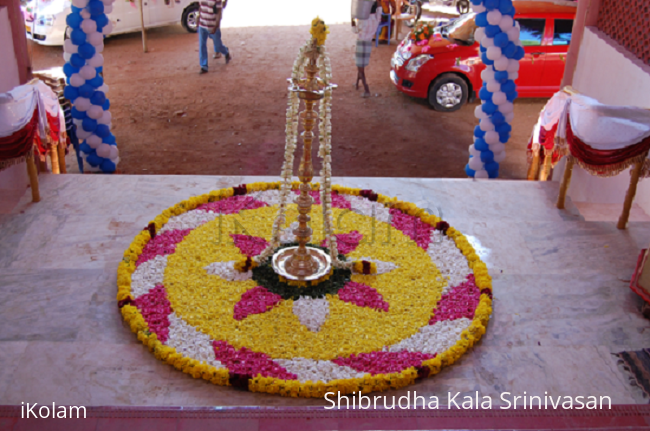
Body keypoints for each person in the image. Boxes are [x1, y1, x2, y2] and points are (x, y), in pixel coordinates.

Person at [352, 2, 381, 97]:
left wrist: (352, 21)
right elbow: (379, 10)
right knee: (361, 66)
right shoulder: (376, 19)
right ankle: (357, 83)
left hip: (360, 43)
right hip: (368, 43)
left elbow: (355, 30)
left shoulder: (362, 19)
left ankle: (366, 90)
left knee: (360, 68)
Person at [198, 0, 232, 74]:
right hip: (202, 24)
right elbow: (200, 7)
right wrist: (198, 18)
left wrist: (216, 26)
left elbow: (219, 12)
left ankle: (226, 52)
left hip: (212, 25)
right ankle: (204, 66)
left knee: (218, 45)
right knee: (202, 45)